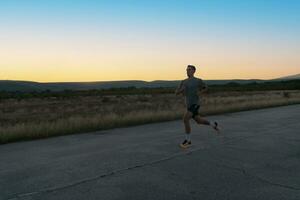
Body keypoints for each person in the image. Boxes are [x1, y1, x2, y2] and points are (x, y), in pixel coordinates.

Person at [175, 65, 220, 148]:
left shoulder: (198, 81)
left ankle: (188, 141)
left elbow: (206, 88)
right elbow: (176, 92)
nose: (187, 71)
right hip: (188, 104)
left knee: (185, 119)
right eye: (187, 70)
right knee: (199, 121)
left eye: (189, 69)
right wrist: (181, 90)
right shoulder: (183, 81)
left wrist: (201, 92)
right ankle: (213, 124)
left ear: (194, 71)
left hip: (195, 104)